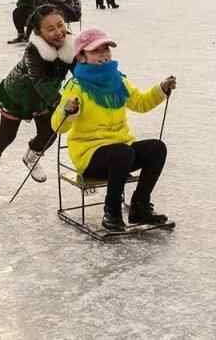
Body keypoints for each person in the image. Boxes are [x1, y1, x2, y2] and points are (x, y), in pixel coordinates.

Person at [52, 28, 177, 232]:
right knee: (122, 152)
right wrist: (68, 111)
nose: (104, 54)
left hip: (120, 152)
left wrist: (161, 90)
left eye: (106, 49)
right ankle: (111, 213)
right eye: (96, 51)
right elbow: (57, 126)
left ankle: (140, 206)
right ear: (82, 57)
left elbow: (141, 103)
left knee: (157, 148)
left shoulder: (118, 80)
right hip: (90, 155)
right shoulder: (76, 86)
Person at [0, 5, 76, 188]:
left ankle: (31, 156)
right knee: (7, 135)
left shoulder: (70, 46)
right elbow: (40, 82)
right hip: (17, 95)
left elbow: (80, 70)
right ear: (39, 33)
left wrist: (98, 81)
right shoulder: (34, 52)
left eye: (60, 25)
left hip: (42, 98)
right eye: (50, 29)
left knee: (49, 132)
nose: (58, 32)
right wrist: (60, 103)